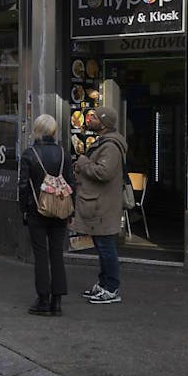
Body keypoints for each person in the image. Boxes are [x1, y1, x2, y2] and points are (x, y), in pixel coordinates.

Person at [18, 114, 74, 316]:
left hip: (37, 210)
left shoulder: (29, 154)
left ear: (37, 130)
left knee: (41, 255)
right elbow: (70, 183)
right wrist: (70, 210)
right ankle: (57, 301)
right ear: (54, 131)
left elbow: (23, 186)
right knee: (57, 254)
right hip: (60, 209)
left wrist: (24, 210)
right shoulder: (63, 153)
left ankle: (43, 300)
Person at [72, 106, 127, 305]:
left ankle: (111, 288)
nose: (89, 118)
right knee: (102, 246)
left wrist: (84, 163)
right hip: (98, 203)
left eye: (94, 117)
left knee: (106, 247)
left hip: (103, 205)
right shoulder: (104, 142)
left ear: (104, 123)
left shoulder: (110, 146)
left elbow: (104, 173)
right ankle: (104, 284)